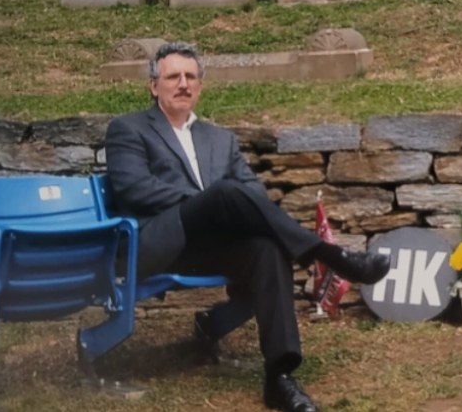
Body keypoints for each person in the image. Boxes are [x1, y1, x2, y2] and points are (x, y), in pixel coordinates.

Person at [104, 41, 391, 412]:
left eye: (191, 76)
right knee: (222, 193)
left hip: (211, 249)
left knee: (267, 250)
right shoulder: (127, 129)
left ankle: (280, 377)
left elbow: (253, 192)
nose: (183, 84)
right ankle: (328, 255)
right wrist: (205, 204)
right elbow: (135, 188)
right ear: (153, 85)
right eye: (173, 76)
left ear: (200, 86)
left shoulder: (219, 139)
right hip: (159, 244)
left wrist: (218, 207)